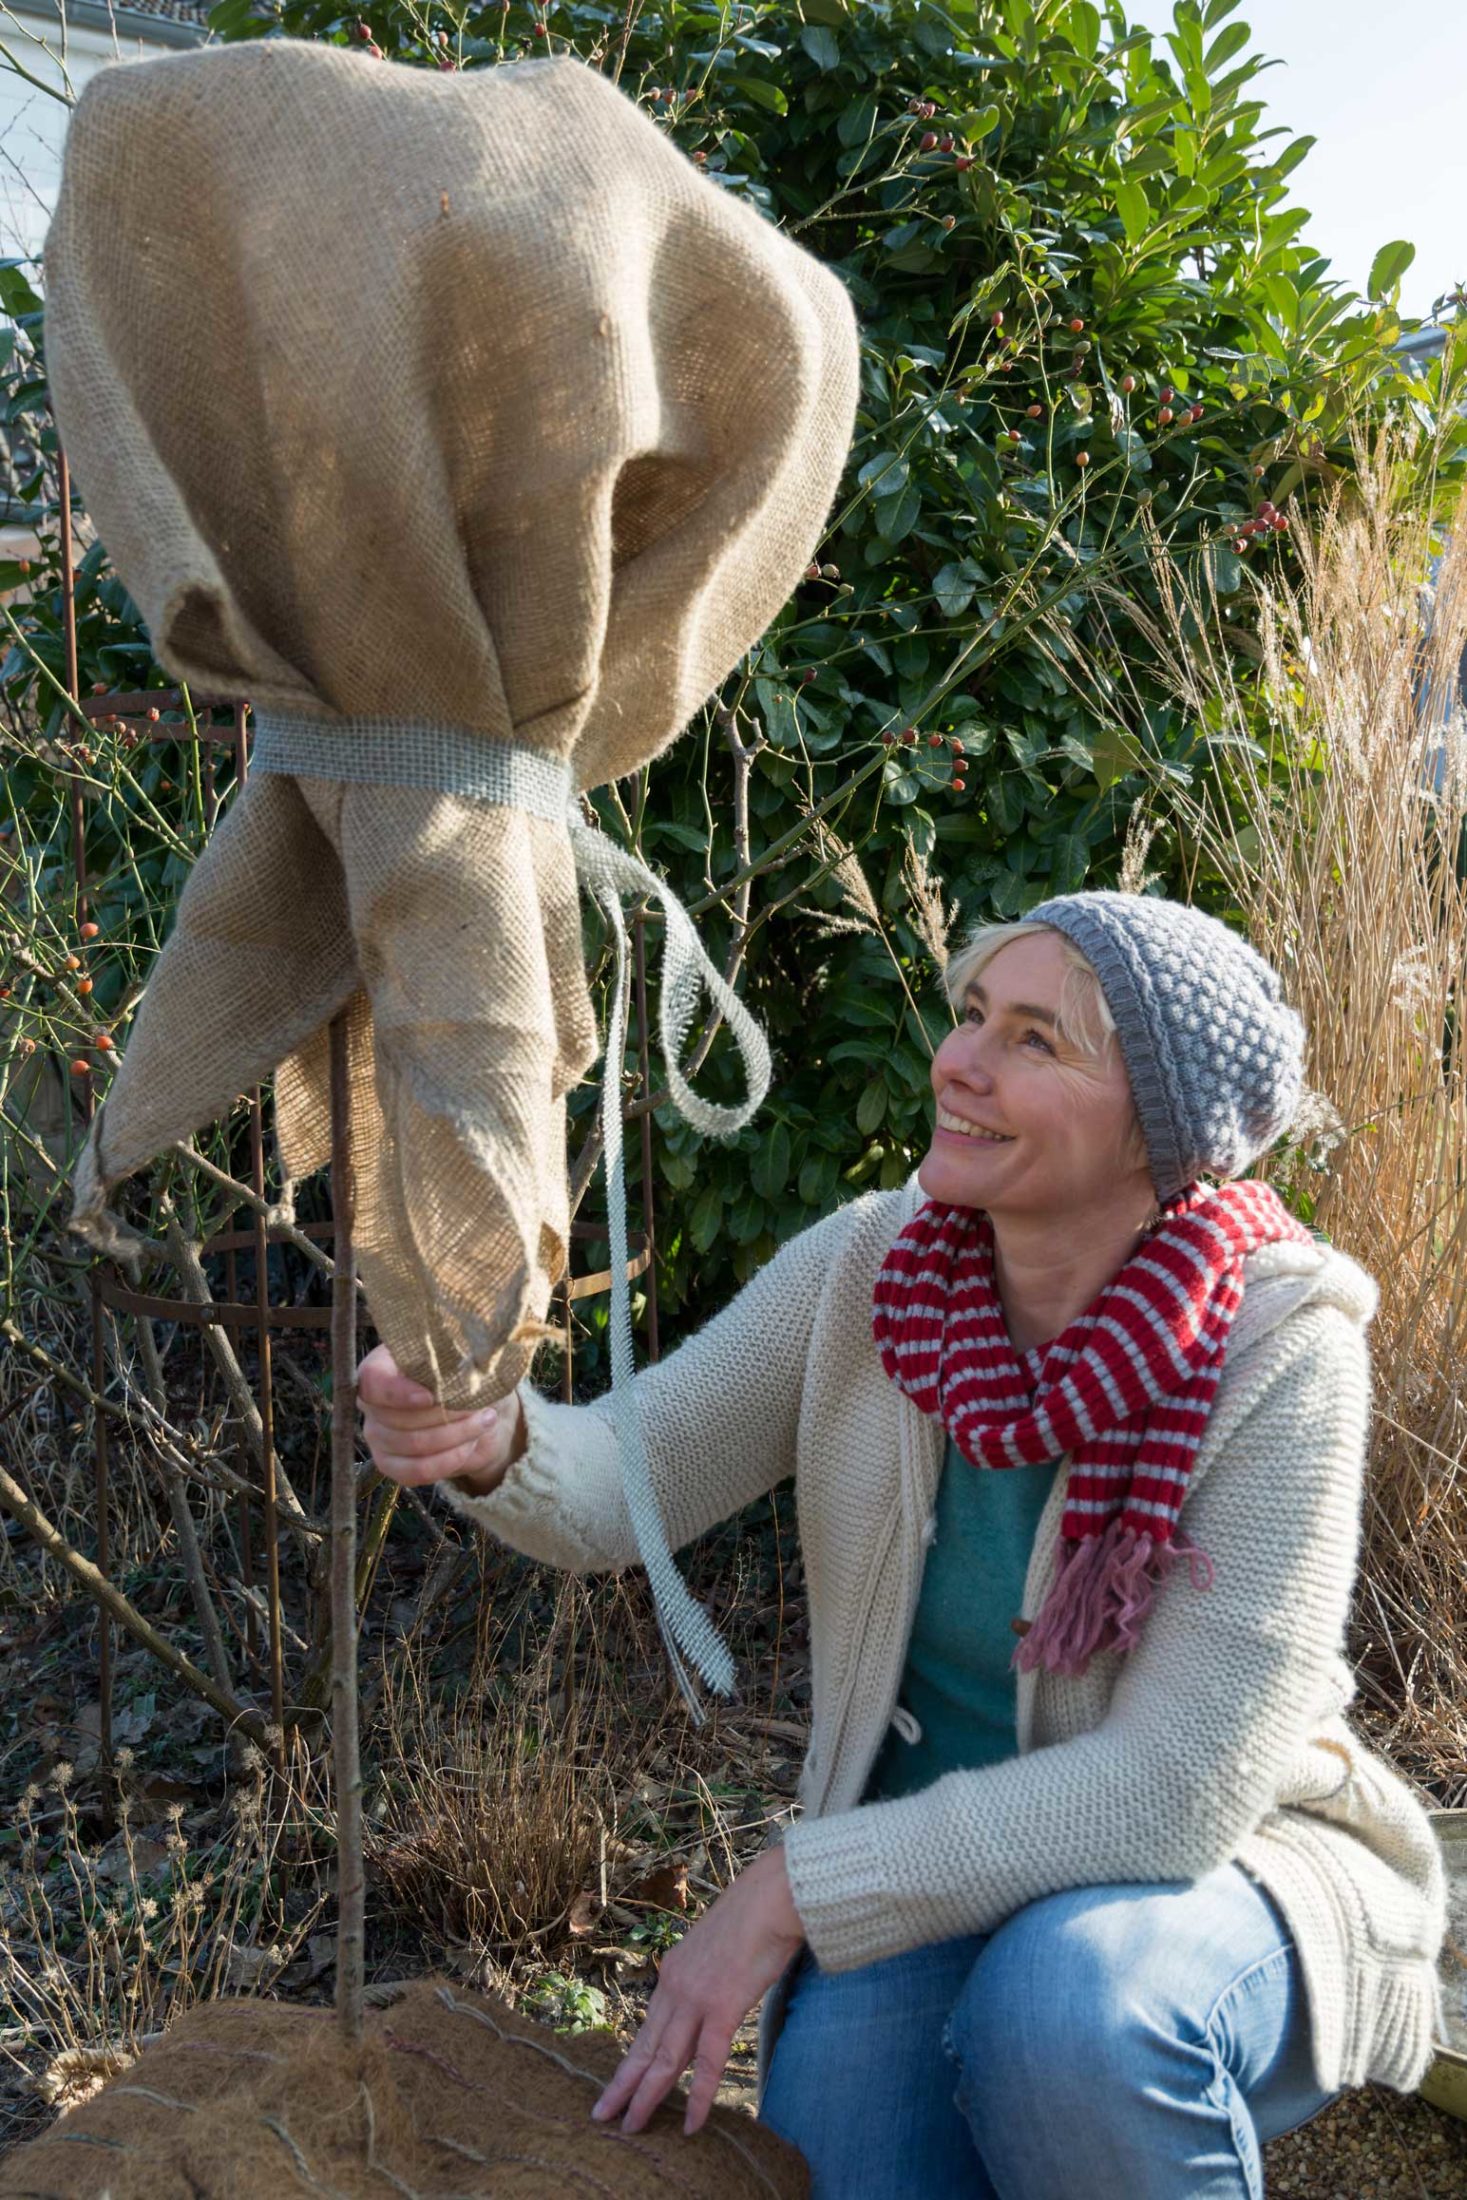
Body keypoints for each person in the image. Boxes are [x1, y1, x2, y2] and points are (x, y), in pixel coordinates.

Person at [358, 889, 1446, 2199]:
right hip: (931, 1880)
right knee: (857, 2159)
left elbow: (1174, 1795)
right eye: (975, 1015)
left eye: (1037, 1041)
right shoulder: (875, 1273)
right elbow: (624, 1484)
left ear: (1159, 1132)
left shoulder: (1282, 1349)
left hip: (1228, 1874)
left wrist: (788, 1893)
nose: (961, 1061)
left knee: (1064, 2015)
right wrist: (493, 1440)